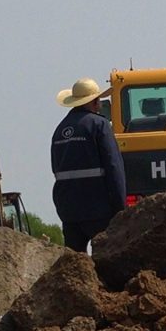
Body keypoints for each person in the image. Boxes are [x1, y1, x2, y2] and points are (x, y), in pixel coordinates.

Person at [51, 77, 127, 252]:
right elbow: (114, 168)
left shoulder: (60, 130)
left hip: (69, 212)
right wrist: (120, 209)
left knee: (74, 261)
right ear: (94, 101)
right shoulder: (99, 124)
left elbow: (56, 170)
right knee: (107, 258)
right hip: (99, 210)